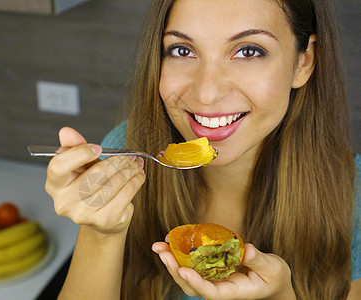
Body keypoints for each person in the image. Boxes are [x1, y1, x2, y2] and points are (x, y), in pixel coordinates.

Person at [44, 0, 361, 299]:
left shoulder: (355, 196)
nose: (207, 93)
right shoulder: (125, 156)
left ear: (303, 62)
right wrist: (100, 233)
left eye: (248, 51)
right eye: (182, 50)